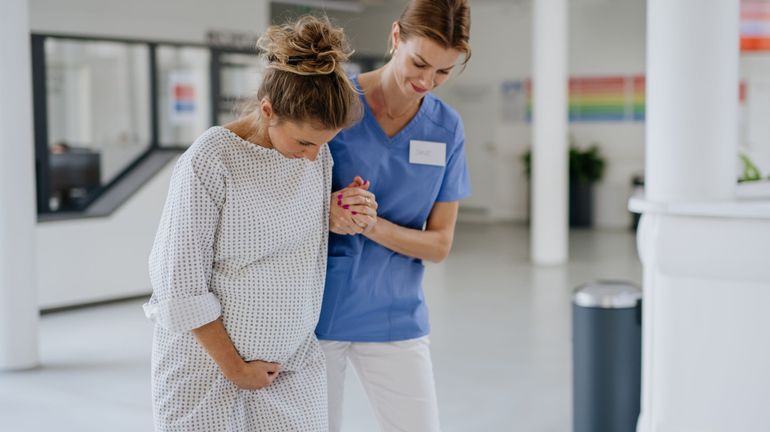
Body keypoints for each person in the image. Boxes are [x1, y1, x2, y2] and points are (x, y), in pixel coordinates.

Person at [142, 15, 361, 432]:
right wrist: (237, 369)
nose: (314, 157)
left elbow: (295, 235)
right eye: (304, 143)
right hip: (205, 374)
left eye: (323, 145)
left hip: (293, 370)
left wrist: (340, 210)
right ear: (268, 110)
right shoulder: (211, 160)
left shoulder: (315, 159)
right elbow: (179, 285)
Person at [315, 1, 472, 431]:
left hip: (395, 314)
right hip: (314, 312)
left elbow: (439, 244)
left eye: (443, 72)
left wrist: (371, 224)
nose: (426, 81)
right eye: (419, 63)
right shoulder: (333, 101)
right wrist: (326, 211)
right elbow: (281, 199)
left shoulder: (446, 129)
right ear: (396, 36)